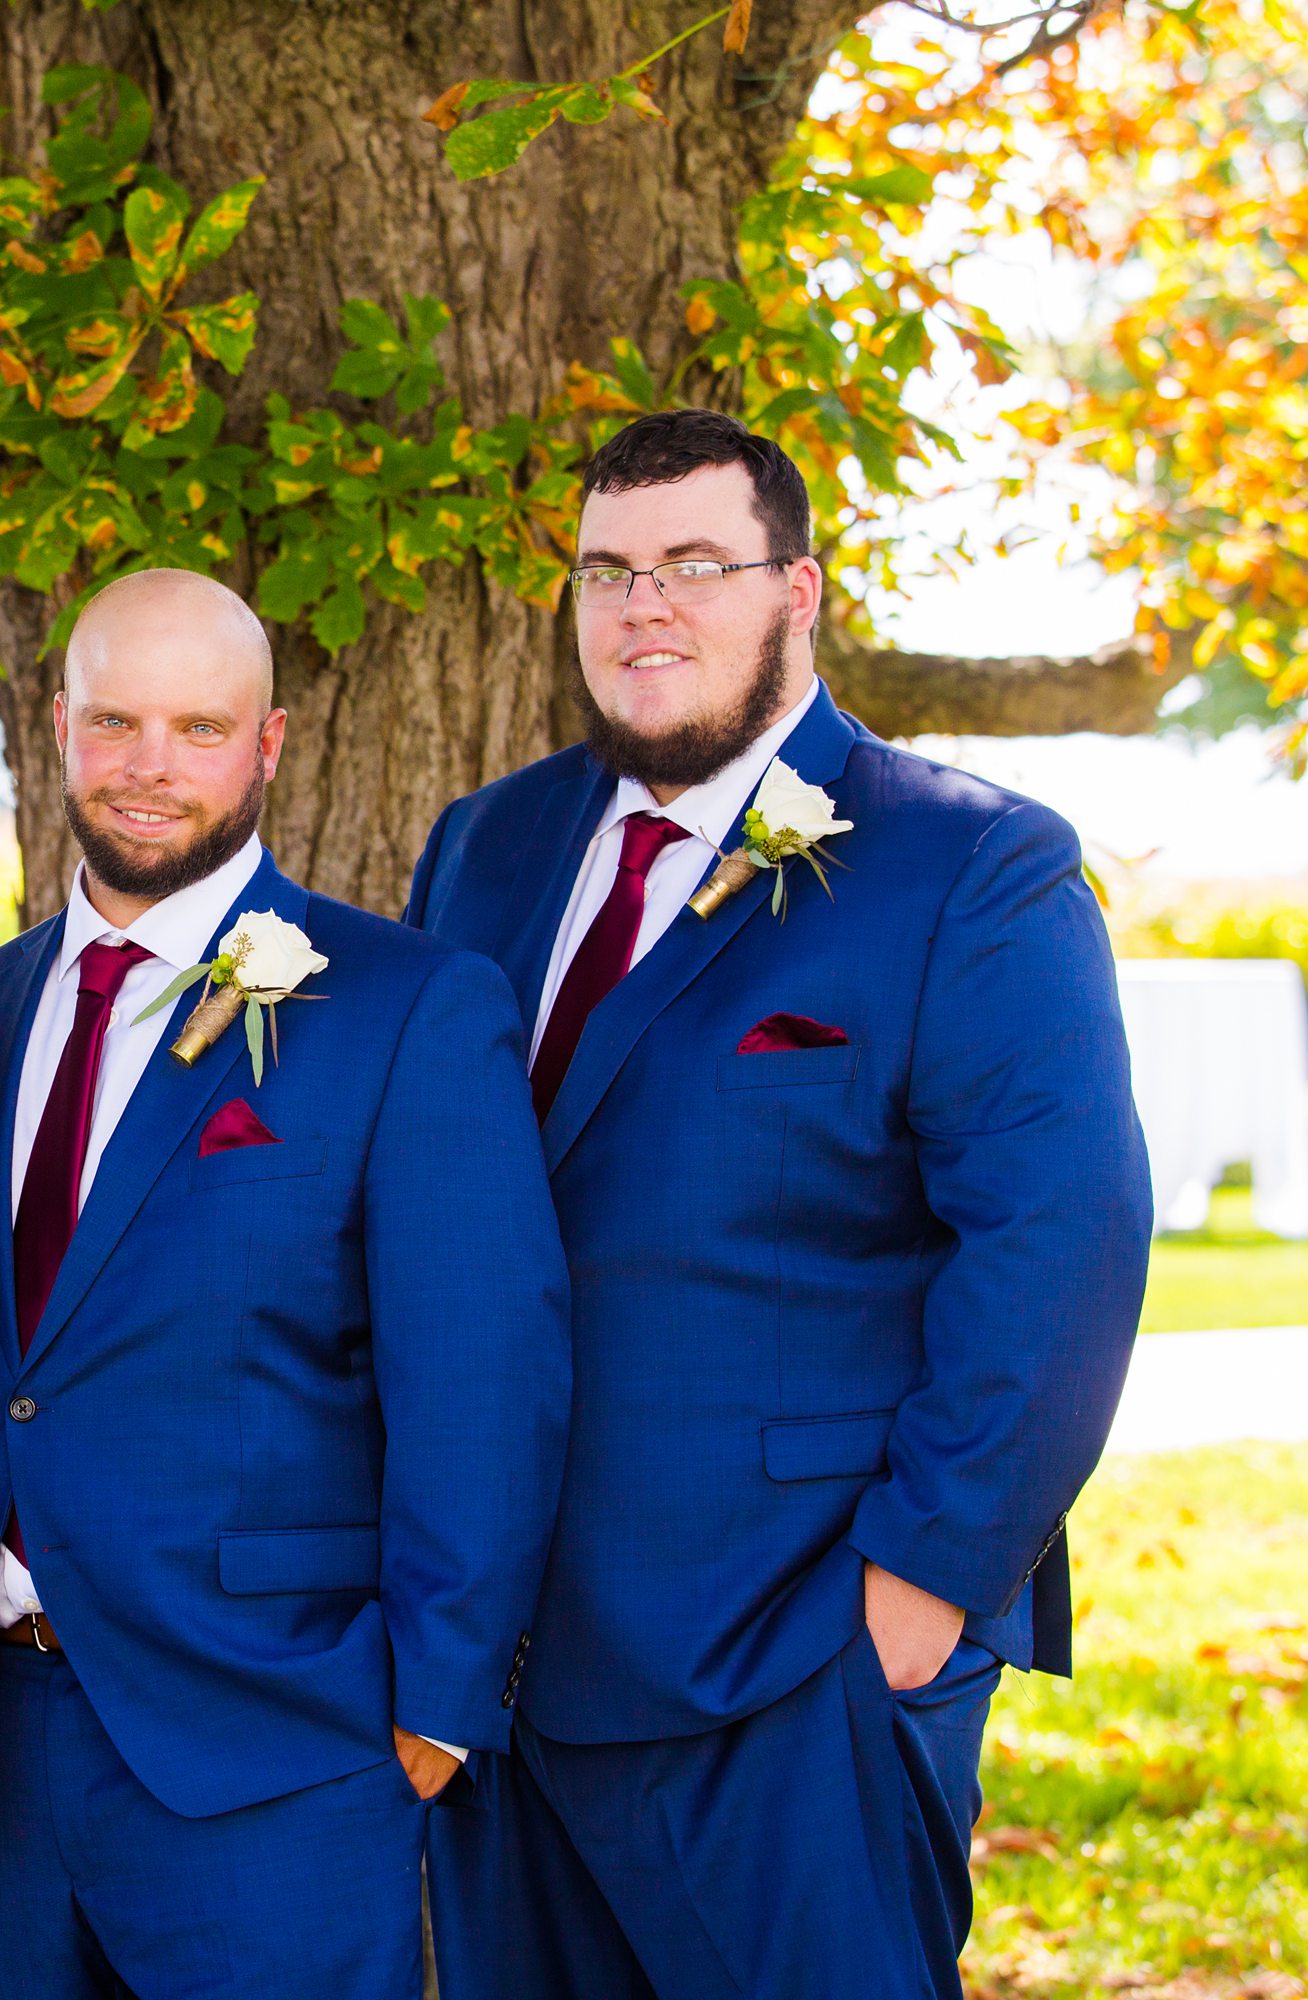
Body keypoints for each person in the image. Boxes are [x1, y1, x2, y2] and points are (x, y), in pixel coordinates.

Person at [408, 408, 1151, 1998]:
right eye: (607, 571)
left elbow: (1062, 1249)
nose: (643, 607)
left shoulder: (968, 864)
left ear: (798, 590)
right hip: (499, 1669)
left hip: (793, 1655)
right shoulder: (489, 848)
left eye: (695, 564)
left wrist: (922, 1596)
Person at [0, 568, 568, 1998]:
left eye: (198, 727)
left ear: (270, 744)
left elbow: (486, 1370)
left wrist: (440, 1696)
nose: (148, 767)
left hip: (280, 1739)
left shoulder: (403, 1008)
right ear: (56, 726)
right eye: (115, 720)